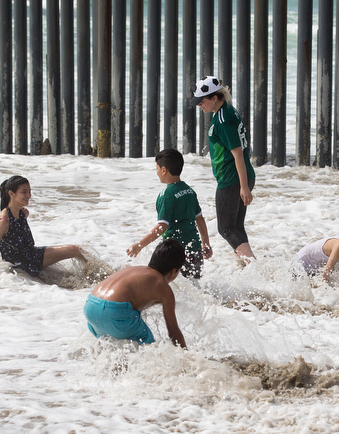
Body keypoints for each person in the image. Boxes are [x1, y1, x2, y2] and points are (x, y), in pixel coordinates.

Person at [191, 76, 256, 263]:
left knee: (226, 229)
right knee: (236, 227)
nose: (199, 105)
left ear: (215, 97)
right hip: (240, 177)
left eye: (202, 101)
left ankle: (255, 267)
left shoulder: (223, 120)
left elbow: (237, 155)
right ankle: (245, 268)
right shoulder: (226, 110)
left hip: (232, 179)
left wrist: (243, 187)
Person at [84, 239, 188, 349]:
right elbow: (173, 330)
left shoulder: (135, 270)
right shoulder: (163, 287)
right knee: (148, 349)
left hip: (91, 307)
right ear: (174, 271)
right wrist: (186, 355)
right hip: (115, 312)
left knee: (112, 347)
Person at [126, 148, 212, 279]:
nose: (157, 172)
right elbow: (200, 219)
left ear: (164, 170)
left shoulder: (166, 195)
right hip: (195, 250)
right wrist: (205, 243)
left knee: (159, 283)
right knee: (193, 286)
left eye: (157, 168)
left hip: (173, 253)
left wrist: (140, 245)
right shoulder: (189, 191)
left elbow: (162, 226)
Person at [0, 175, 86, 281]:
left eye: (29, 192)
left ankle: (93, 274)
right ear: (11, 193)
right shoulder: (4, 220)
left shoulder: (23, 213)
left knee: (76, 249)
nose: (29, 195)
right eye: (24, 192)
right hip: (20, 264)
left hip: (32, 255)